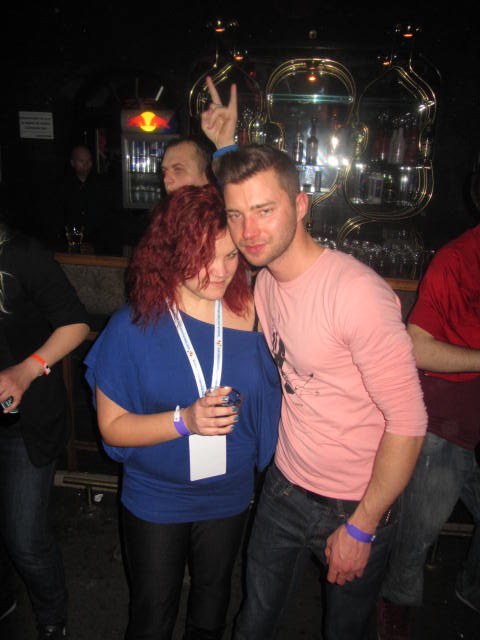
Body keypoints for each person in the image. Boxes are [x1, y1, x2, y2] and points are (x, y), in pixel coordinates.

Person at [206, 142, 428, 640]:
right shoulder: (265, 283)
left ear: (300, 205)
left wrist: (362, 526)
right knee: (253, 621)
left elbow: (410, 423)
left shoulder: (355, 294)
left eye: (265, 210)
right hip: (285, 486)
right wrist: (222, 145)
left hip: (356, 502)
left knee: (345, 630)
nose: (248, 231)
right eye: (236, 215)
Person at [84, 183, 281, 640]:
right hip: (157, 493)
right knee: (152, 617)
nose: (221, 271)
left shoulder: (256, 313)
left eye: (231, 255)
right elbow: (112, 428)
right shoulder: (132, 326)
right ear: (172, 252)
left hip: (229, 491)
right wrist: (185, 420)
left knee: (211, 611)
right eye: (204, 257)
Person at [377, 224, 480, 639]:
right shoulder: (458, 259)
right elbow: (416, 347)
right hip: (443, 426)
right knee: (417, 535)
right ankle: (392, 604)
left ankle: (471, 590)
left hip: (467, 424)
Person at [0, 220, 90, 639]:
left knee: (25, 538)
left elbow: (77, 323)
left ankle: (52, 618)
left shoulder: (21, 254)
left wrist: (25, 371)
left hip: (26, 424)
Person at [56, 144, 115, 253]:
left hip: (97, 247)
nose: (86, 164)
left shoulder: (102, 186)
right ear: (72, 162)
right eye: (81, 161)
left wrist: (96, 245)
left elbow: (109, 219)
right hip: (68, 246)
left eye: (89, 161)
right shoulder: (63, 187)